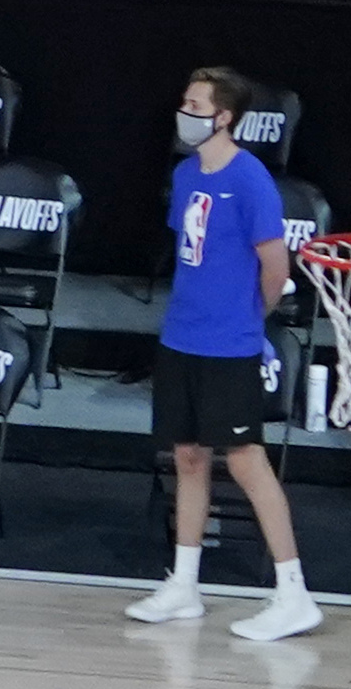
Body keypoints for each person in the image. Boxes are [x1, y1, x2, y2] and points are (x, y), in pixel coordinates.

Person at [129, 63, 316, 640]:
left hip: (229, 343)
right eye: (184, 102)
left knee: (244, 458)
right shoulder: (186, 175)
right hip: (180, 336)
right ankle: (184, 585)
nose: (185, 113)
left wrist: (245, 322)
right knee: (187, 457)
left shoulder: (252, 178)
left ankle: (294, 594)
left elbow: (276, 266)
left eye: (196, 104)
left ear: (224, 116)